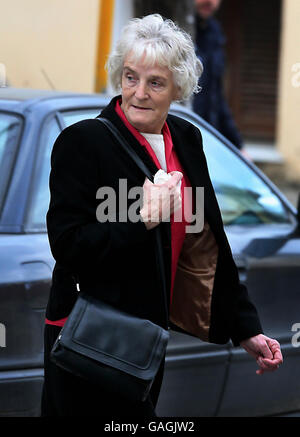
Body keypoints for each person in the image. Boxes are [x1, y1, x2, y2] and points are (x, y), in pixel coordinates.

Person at [41, 14, 283, 417]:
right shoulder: (83, 143)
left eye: (155, 83)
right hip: (89, 338)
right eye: (130, 77)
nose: (139, 93)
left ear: (178, 89)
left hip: (147, 341)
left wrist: (246, 329)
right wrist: (143, 218)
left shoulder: (186, 141)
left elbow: (207, 244)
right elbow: (68, 247)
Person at [192, 0, 250, 158]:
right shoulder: (180, 28)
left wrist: (238, 146)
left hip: (205, 140)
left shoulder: (214, 32)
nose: (210, 1)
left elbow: (216, 97)